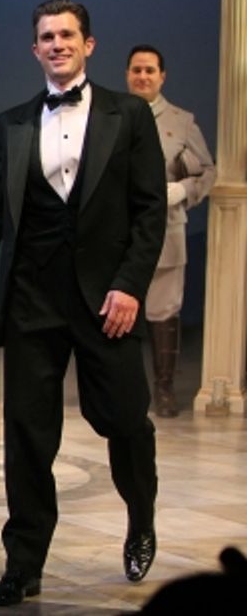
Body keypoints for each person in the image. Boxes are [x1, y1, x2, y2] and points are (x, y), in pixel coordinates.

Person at [0, 0, 166, 607]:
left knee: (123, 420)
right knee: (29, 436)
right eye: (47, 36)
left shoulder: (130, 115)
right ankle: (24, 564)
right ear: (34, 49)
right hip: (33, 298)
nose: (57, 43)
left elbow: (150, 212)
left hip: (105, 301)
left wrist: (129, 286)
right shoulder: (12, 123)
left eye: (68, 34)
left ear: (89, 45)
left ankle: (141, 514)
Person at [125, 45, 216, 418]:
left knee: (163, 312)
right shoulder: (110, 115)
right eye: (136, 70)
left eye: (150, 70)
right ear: (127, 74)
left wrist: (183, 191)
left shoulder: (181, 121)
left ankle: (163, 391)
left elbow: (207, 171)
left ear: (162, 76)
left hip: (165, 229)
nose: (142, 76)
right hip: (118, 232)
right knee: (117, 313)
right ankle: (125, 391)